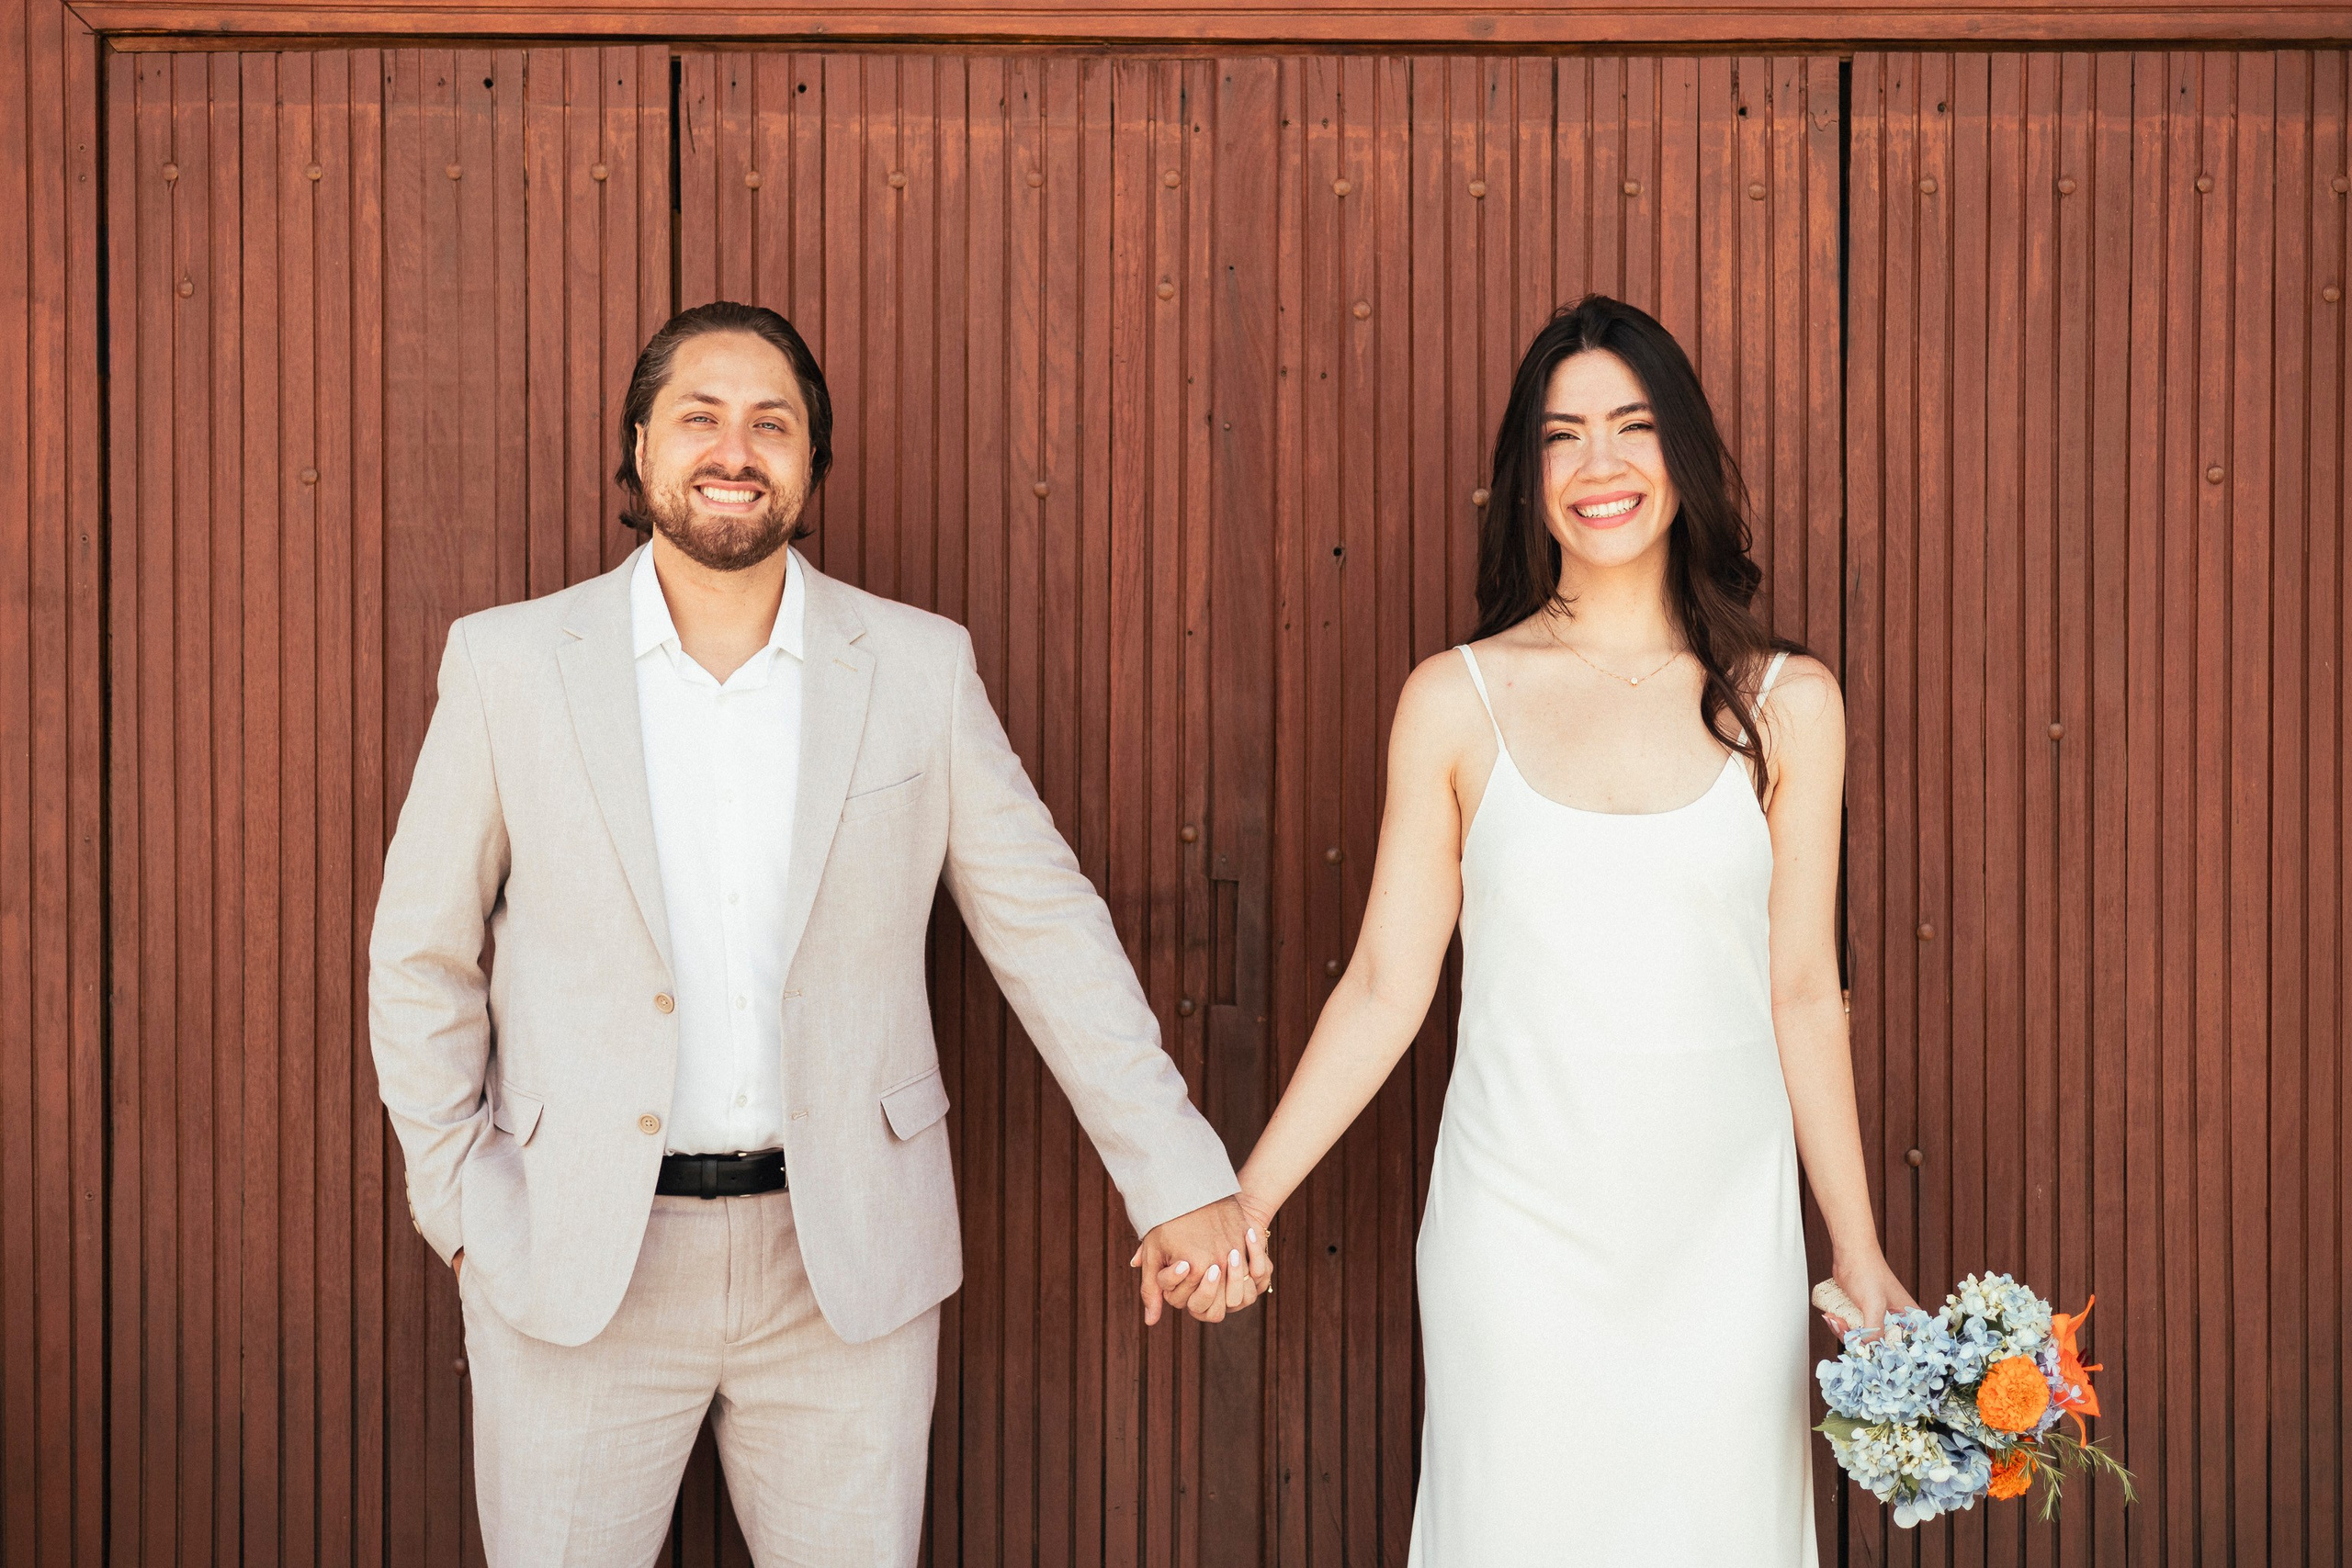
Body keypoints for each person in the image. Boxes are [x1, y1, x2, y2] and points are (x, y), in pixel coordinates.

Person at [368, 299, 1268, 1567]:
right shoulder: (511, 665)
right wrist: (458, 1202)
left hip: (844, 1263)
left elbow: (1047, 931)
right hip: (571, 1259)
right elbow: (420, 953)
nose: (734, 449)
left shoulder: (916, 668)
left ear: (811, 466)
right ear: (636, 449)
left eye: (771, 424)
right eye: (700, 417)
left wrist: (1176, 1175)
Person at [1223, 296, 1915, 1563]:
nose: (1600, 465)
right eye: (1564, 436)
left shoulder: (1787, 704)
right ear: (1527, 477)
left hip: (1722, 1238)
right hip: (1516, 1233)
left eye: (1633, 428)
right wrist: (1246, 1200)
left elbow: (1806, 990)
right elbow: (1386, 982)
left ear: (1684, 457)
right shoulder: (1455, 699)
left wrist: (1857, 1253)